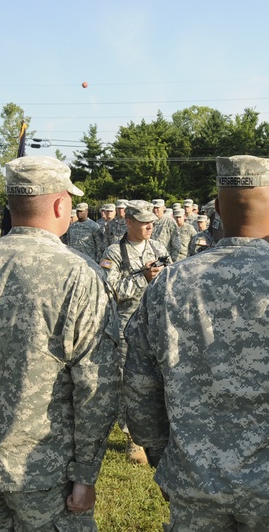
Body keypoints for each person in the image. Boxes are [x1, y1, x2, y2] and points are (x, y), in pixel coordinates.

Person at [124, 155, 269, 531]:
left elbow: (140, 386)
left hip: (195, 484)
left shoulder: (170, 285)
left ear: (219, 209)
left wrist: (165, 461)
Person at [0, 157, 119, 531]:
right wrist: (86, 471)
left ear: (10, 206)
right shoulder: (78, 274)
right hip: (45, 471)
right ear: (61, 204)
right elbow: (97, 385)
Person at [98, 199, 168, 465]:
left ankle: (159, 432)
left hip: (157, 324)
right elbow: (109, 291)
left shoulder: (158, 248)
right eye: (143, 222)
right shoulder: (114, 253)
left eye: (152, 221)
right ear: (129, 222)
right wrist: (143, 278)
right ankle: (133, 439)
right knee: (130, 380)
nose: (150, 226)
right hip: (128, 327)